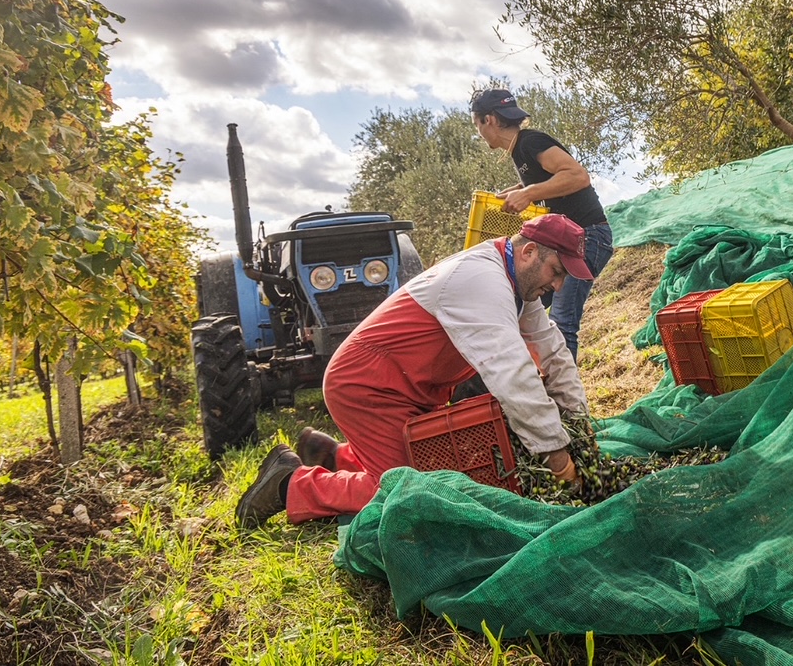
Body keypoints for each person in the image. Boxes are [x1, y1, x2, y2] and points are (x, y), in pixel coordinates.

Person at [235, 213, 594, 529]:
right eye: (556, 272)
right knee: (411, 490)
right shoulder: (482, 280)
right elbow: (513, 375)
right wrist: (558, 457)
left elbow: (553, 353)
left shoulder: (516, 284)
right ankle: (291, 484)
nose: (558, 286)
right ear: (530, 252)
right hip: (367, 385)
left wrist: (580, 425)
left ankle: (330, 454)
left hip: (410, 389)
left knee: (441, 464)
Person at [471, 87, 614, 358]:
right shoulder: (519, 151)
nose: (478, 132)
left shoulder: (530, 142)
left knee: (561, 323)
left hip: (587, 237)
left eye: (476, 124)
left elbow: (577, 176)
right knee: (524, 308)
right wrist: (517, 191)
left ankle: (567, 399)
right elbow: (542, 181)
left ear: (488, 120)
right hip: (568, 243)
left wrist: (528, 193)